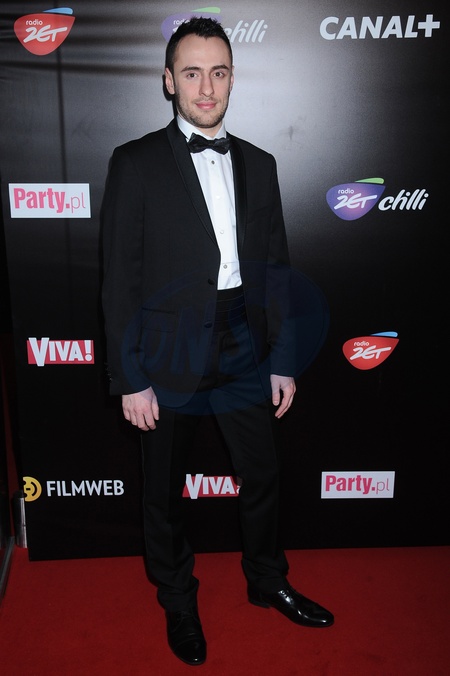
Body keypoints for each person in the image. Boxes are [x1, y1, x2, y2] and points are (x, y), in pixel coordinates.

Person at [101, 17, 333, 667]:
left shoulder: (260, 163)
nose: (207, 87)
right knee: (163, 489)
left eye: (219, 72)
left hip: (244, 343)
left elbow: (276, 270)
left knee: (263, 473)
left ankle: (266, 579)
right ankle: (178, 598)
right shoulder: (135, 162)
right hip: (167, 349)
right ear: (168, 81)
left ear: (232, 79)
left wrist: (282, 359)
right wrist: (130, 377)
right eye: (193, 72)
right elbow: (118, 281)